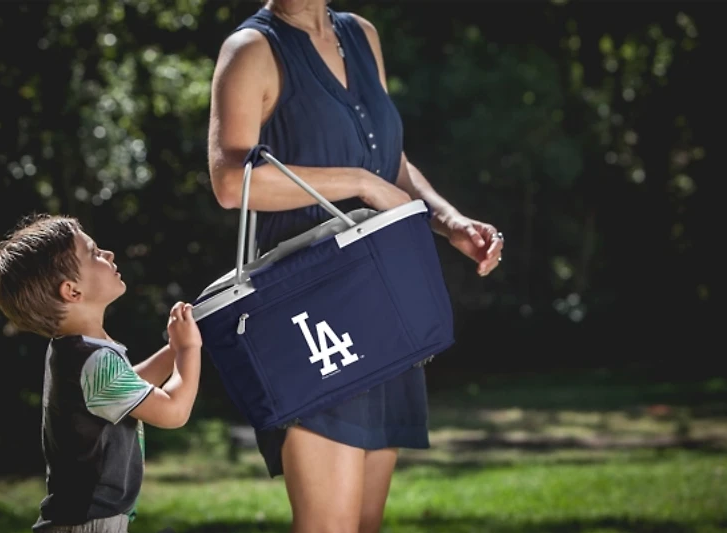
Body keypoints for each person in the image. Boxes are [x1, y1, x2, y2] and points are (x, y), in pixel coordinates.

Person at [207, 1, 504, 531]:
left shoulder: (361, 36)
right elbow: (233, 182)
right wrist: (359, 184)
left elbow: (389, 161)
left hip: (385, 313)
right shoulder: (251, 50)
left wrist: (449, 220)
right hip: (315, 325)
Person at [0, 214, 203, 533]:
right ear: (72, 291)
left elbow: (128, 385)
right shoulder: (93, 361)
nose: (109, 254)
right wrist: (188, 351)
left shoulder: (76, 352)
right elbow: (174, 410)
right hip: (89, 524)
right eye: (94, 253)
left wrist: (173, 348)